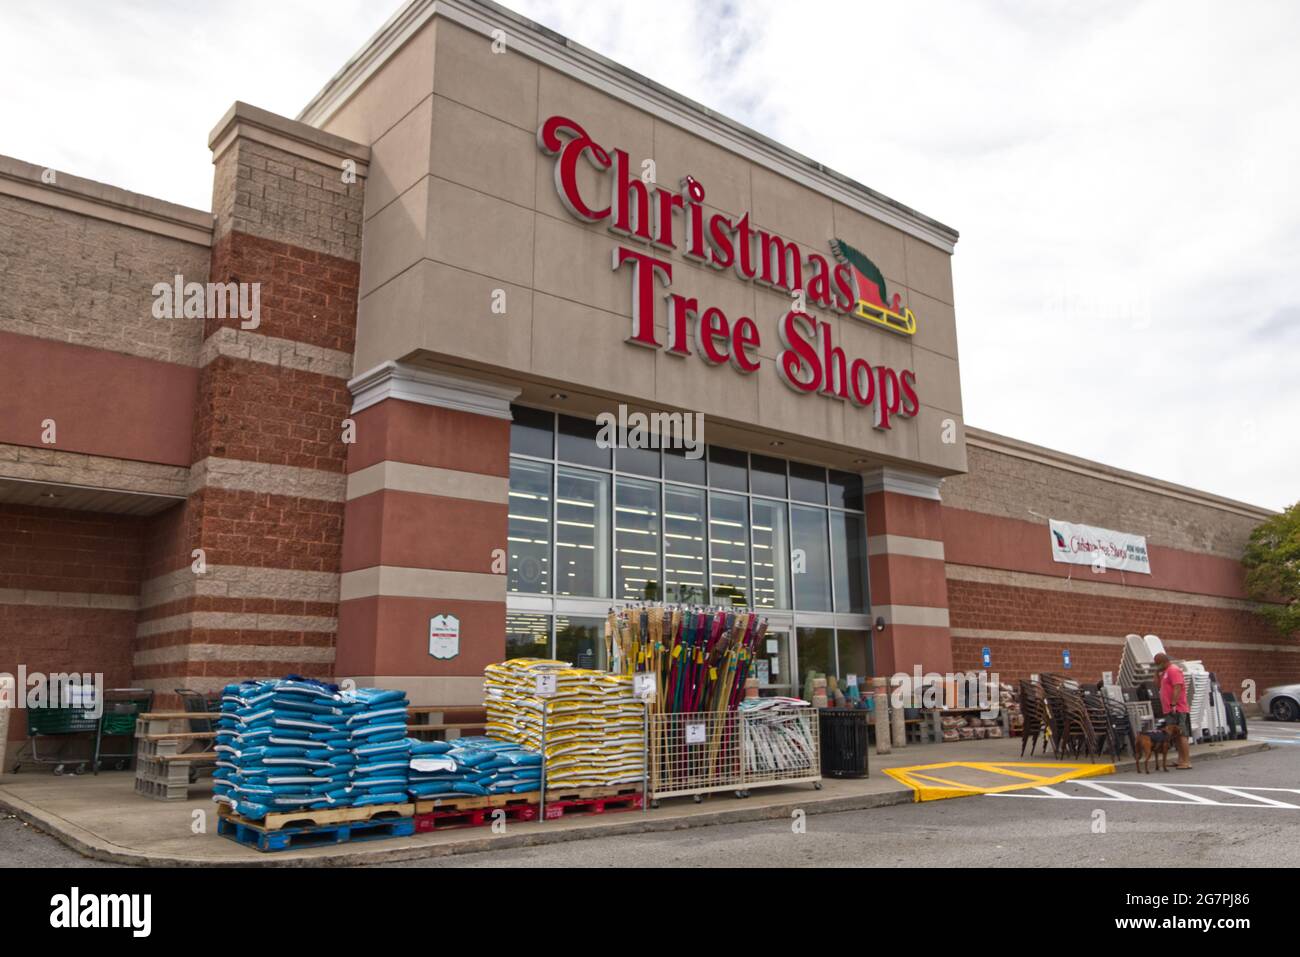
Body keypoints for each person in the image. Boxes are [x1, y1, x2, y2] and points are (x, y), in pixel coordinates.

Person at [1153, 653, 1192, 769]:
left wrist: (1174, 703)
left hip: (1177, 708)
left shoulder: (1173, 670)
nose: (1156, 666)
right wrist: (1156, 673)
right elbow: (1158, 685)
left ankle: (1186, 761)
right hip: (1169, 709)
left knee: (1181, 734)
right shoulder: (1165, 672)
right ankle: (1180, 759)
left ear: (1163, 662)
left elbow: (1178, 687)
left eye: (1157, 664)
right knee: (1175, 736)